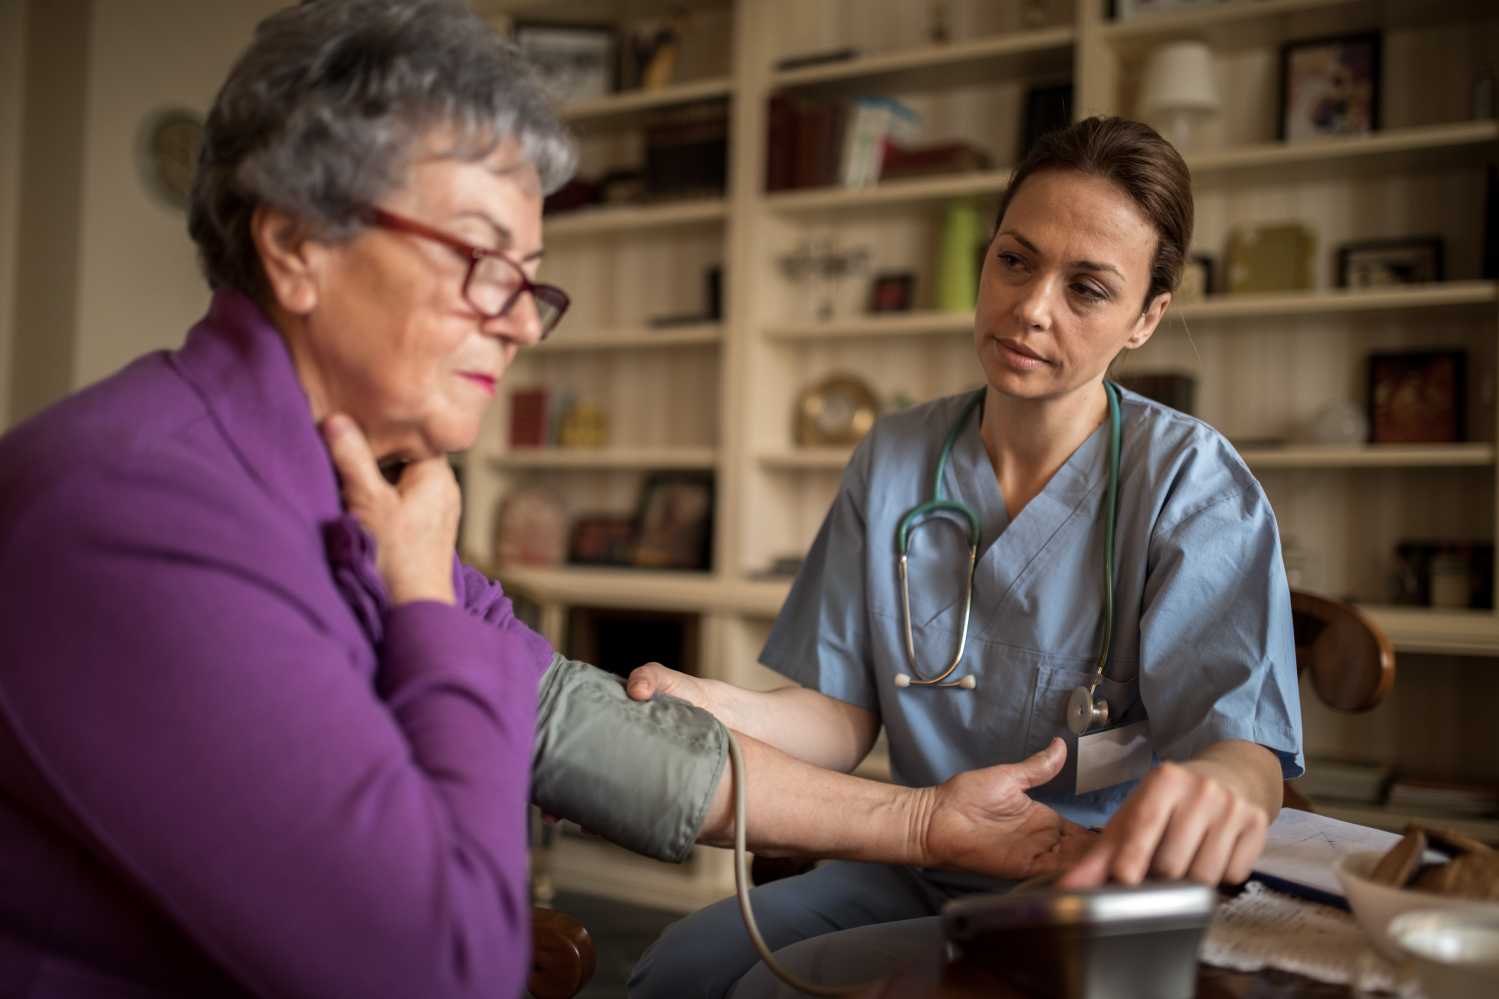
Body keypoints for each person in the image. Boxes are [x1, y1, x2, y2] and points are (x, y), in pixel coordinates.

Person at [0, 3, 1101, 996]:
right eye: (480, 261)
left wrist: (923, 820)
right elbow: (445, 970)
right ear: (296, 245)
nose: (521, 324)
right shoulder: (136, 515)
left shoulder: (348, 484)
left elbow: (558, 717)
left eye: (530, 280)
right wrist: (426, 606)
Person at [627, 116, 1305, 998]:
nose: (1030, 306)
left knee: (772, 991)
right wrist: (699, 700)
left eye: (1087, 289)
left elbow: (1243, 753)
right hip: (923, 852)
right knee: (674, 969)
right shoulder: (896, 453)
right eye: (1015, 260)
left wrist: (1222, 782)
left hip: (1085, 880)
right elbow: (838, 717)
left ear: (1146, 318)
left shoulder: (1191, 481)